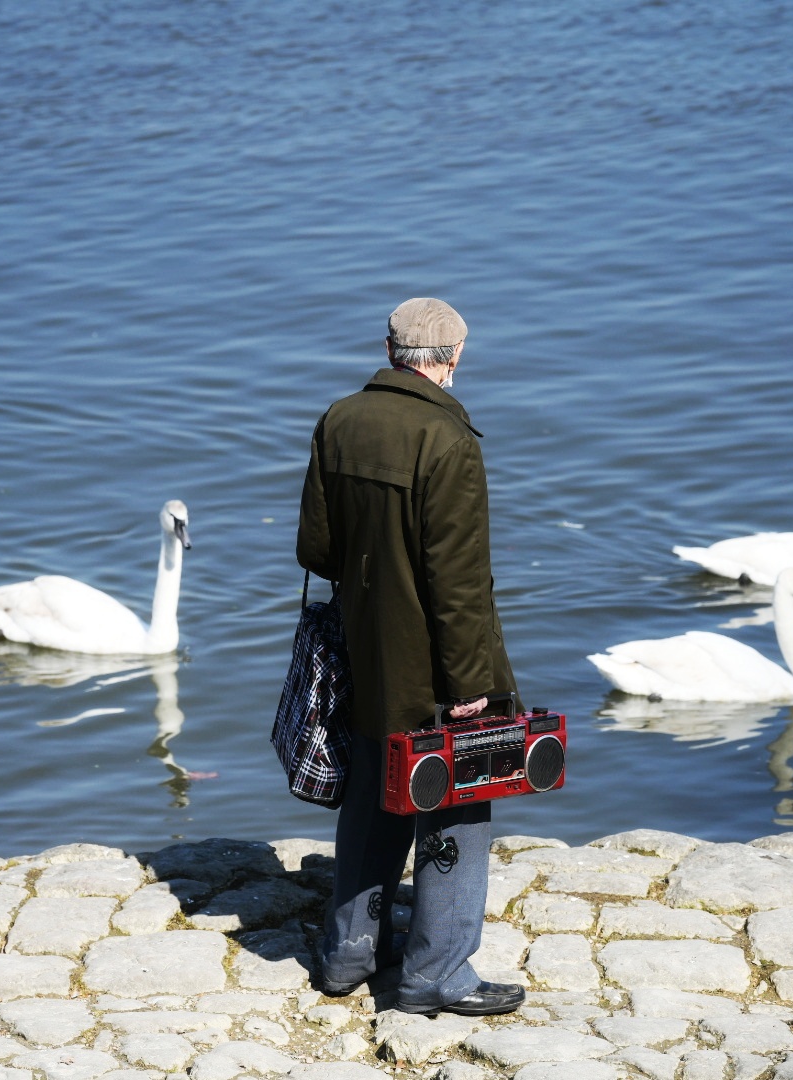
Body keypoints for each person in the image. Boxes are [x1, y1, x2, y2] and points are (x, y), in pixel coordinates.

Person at [296, 297, 523, 1016]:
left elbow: (317, 551)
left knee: (372, 795)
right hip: (435, 665)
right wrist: (470, 686)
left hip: (362, 648)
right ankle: (436, 974)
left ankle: (347, 954)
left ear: (391, 351)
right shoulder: (448, 440)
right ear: (452, 358)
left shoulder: (340, 419)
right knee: (454, 806)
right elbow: (457, 587)